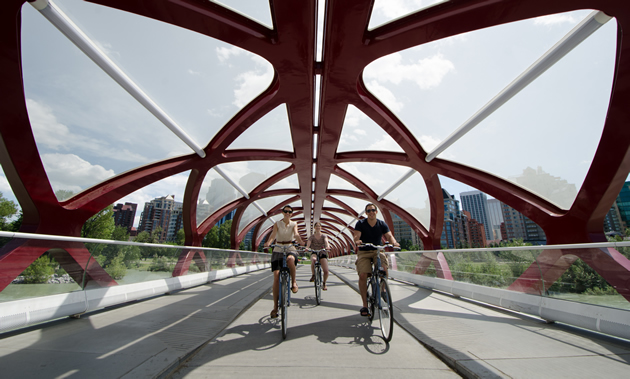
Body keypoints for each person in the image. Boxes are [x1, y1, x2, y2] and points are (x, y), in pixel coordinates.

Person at [353, 203, 399, 317]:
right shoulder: (361, 223)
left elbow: (389, 235)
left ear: (376, 212)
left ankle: (383, 289)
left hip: (378, 250)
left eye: (373, 210)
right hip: (364, 251)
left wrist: (394, 242)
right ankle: (365, 305)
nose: (371, 212)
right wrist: (357, 241)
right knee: (363, 275)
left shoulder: (381, 224)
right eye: (368, 211)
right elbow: (356, 236)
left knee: (384, 268)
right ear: (366, 213)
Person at [264, 205, 304, 319]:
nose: (287, 213)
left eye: (290, 212)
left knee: (291, 260)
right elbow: (273, 236)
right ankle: (275, 307)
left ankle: (294, 282)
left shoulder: (294, 224)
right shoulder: (277, 224)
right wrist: (268, 243)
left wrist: (300, 240)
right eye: (285, 211)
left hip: (290, 247)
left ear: (292, 214)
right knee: (276, 277)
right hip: (278, 248)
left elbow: (296, 234)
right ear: (282, 213)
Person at [306, 221, 330, 290]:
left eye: (319, 226)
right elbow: (309, 242)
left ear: (320, 227)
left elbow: (326, 241)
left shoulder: (324, 236)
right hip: (314, 251)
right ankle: (313, 274)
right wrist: (307, 247)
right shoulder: (312, 237)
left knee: (326, 271)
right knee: (313, 259)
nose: (318, 227)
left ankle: (324, 283)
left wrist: (327, 246)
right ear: (314, 228)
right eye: (316, 226)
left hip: (322, 252)